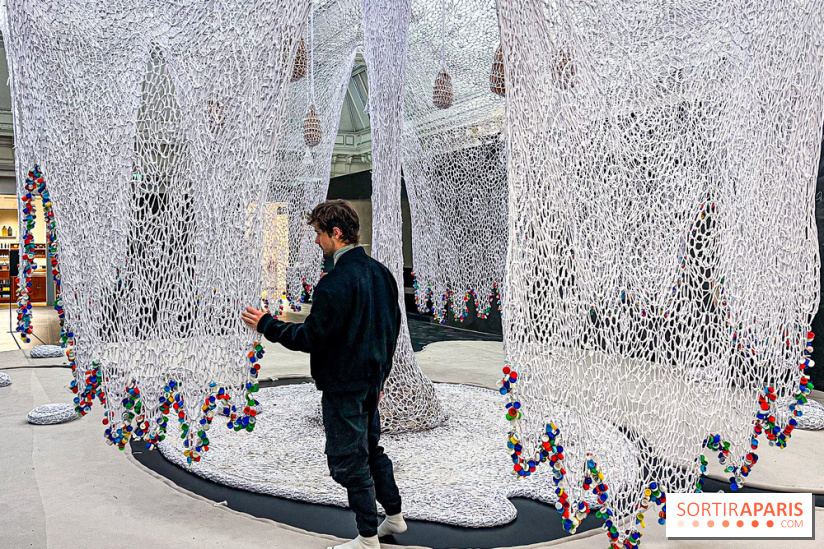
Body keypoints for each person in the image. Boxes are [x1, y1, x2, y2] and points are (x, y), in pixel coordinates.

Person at [242, 200, 407, 549]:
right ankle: (393, 517)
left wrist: (267, 324)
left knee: (348, 462)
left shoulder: (334, 283)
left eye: (319, 234)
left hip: (344, 386)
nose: (316, 242)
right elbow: (391, 331)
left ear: (336, 233)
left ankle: (366, 538)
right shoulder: (382, 273)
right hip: (369, 383)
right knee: (370, 449)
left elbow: (310, 338)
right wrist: (380, 380)